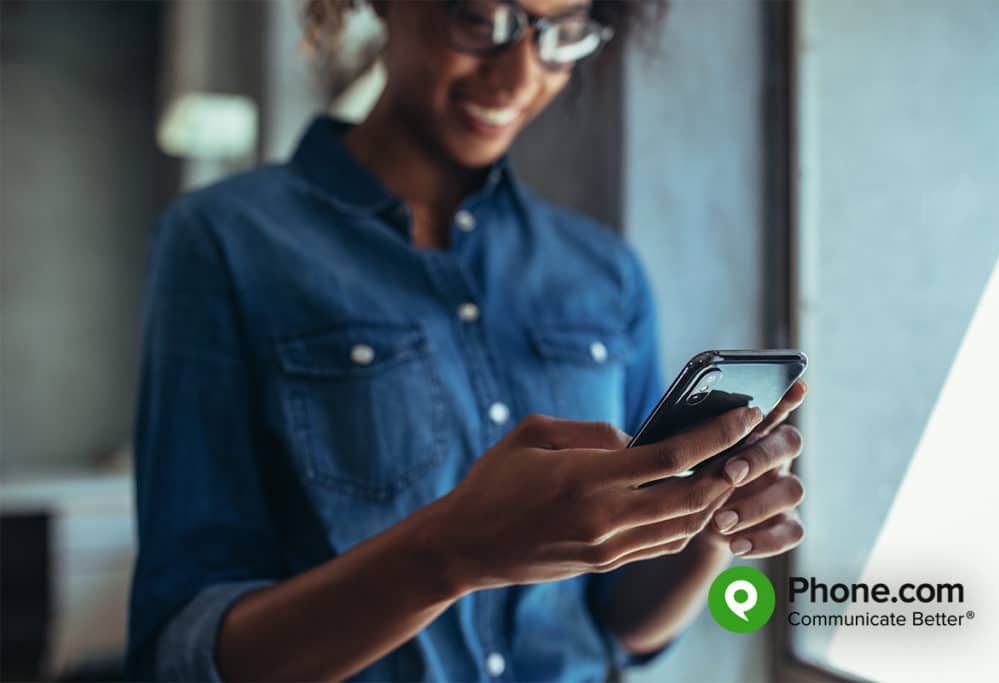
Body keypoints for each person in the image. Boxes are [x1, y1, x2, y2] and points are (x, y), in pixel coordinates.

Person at [127, 1, 808, 681]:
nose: (519, 77)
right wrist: (451, 553)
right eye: (480, 20)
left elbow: (618, 624)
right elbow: (183, 653)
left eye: (561, 35)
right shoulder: (224, 242)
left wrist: (706, 522)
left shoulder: (604, 271)